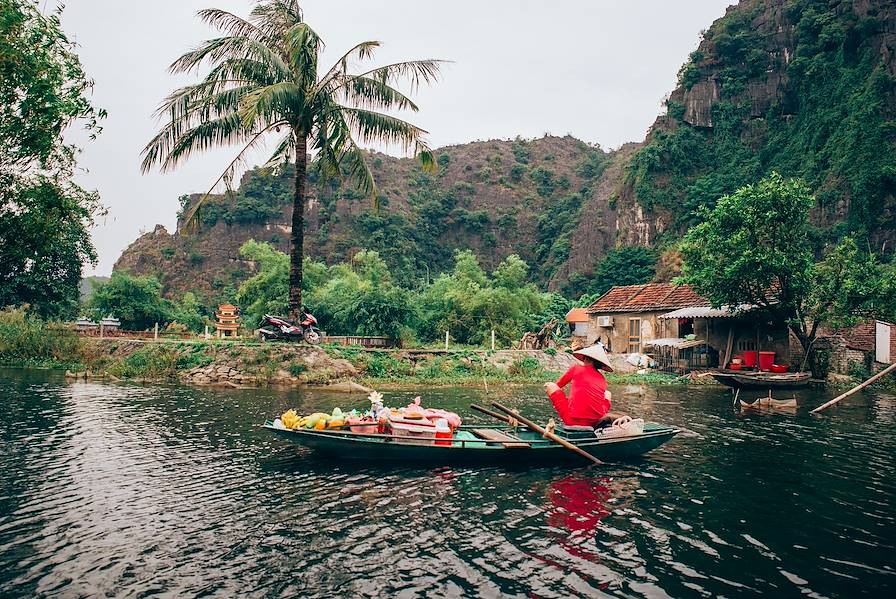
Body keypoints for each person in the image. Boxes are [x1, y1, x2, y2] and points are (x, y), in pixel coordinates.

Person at [544, 343, 622, 427]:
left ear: (584, 357)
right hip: (596, 422)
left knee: (550, 386)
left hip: (572, 421)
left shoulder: (576, 369)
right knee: (607, 393)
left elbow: (558, 385)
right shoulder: (602, 379)